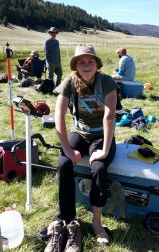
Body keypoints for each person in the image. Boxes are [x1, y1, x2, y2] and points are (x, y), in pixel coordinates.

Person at [44, 44, 118, 252]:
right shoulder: (69, 82)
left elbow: (109, 116)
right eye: (81, 62)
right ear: (76, 65)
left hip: (102, 134)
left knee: (99, 168)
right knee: (63, 163)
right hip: (80, 132)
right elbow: (58, 115)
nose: (86, 65)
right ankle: (67, 219)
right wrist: (67, 148)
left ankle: (96, 221)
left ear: (97, 64)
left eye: (90, 61)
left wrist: (103, 149)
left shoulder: (106, 82)